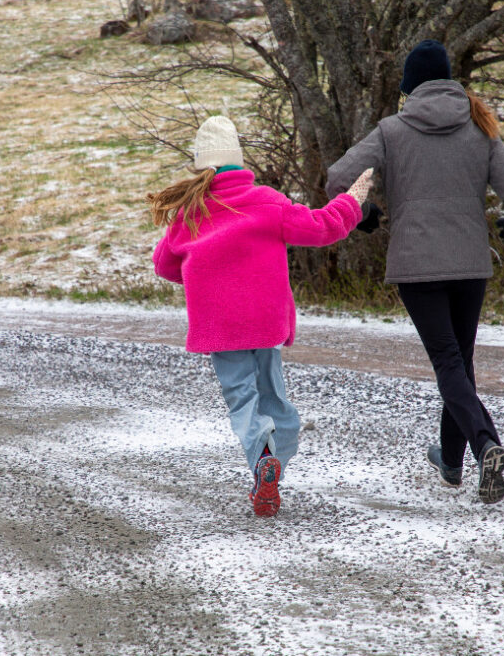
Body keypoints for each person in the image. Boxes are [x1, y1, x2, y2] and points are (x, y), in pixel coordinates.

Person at [325, 40, 504, 504]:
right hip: (469, 263)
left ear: (410, 87)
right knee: (459, 361)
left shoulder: (391, 130)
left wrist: (364, 214)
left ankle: (484, 445)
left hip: (417, 265)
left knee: (448, 363)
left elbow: (338, 179)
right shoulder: (480, 129)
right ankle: (453, 462)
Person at [150, 115, 372, 516]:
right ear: (239, 161)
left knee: (243, 400)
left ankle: (261, 460)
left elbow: (165, 266)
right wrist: (351, 200)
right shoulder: (268, 201)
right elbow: (323, 228)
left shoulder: (192, 211)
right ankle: (271, 467)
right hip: (265, 321)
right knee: (275, 398)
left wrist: (208, 274)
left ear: (203, 166)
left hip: (220, 325)